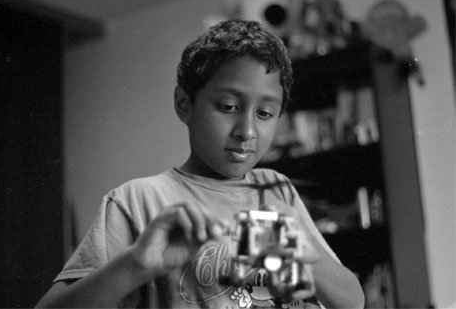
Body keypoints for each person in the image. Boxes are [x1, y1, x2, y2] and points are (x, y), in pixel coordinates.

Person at [35, 19, 364, 309]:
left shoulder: (275, 188)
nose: (247, 131)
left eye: (265, 114)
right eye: (228, 106)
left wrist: (300, 250)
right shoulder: (137, 201)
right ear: (184, 104)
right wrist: (136, 265)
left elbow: (352, 301)